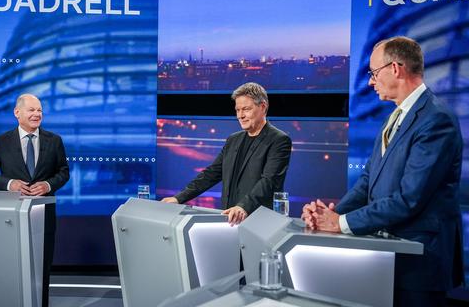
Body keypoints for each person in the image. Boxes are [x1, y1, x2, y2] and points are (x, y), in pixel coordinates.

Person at [302, 37, 464, 306]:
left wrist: (340, 224)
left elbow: (408, 199)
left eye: (374, 73)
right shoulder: (394, 117)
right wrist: (332, 215)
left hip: (420, 264)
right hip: (387, 256)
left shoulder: (436, 119)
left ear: (396, 68)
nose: (370, 82)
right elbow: (368, 181)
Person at [0, 93, 70, 307]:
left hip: (44, 216)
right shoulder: (1, 142)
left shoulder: (54, 141)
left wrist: (48, 185)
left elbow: (63, 172)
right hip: (11, 216)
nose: (37, 114)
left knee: (42, 268)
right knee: (13, 267)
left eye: (40, 110)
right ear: (17, 113)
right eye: (32, 110)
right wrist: (10, 184)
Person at [162, 82, 292, 225]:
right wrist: (179, 198)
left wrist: (243, 207)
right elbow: (211, 173)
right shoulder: (233, 140)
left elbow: (269, 181)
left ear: (263, 107)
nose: (240, 116)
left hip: (260, 223)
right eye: (237, 110)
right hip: (228, 220)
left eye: (246, 109)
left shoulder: (279, 140)